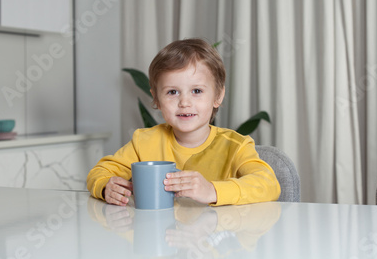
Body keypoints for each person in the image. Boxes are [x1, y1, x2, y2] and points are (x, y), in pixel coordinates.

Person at [87, 38, 280, 206]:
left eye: (197, 91)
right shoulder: (144, 141)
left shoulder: (236, 146)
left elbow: (268, 184)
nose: (184, 103)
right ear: (156, 99)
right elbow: (100, 171)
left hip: (214, 242)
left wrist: (212, 191)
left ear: (218, 96)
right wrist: (105, 186)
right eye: (172, 92)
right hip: (161, 239)